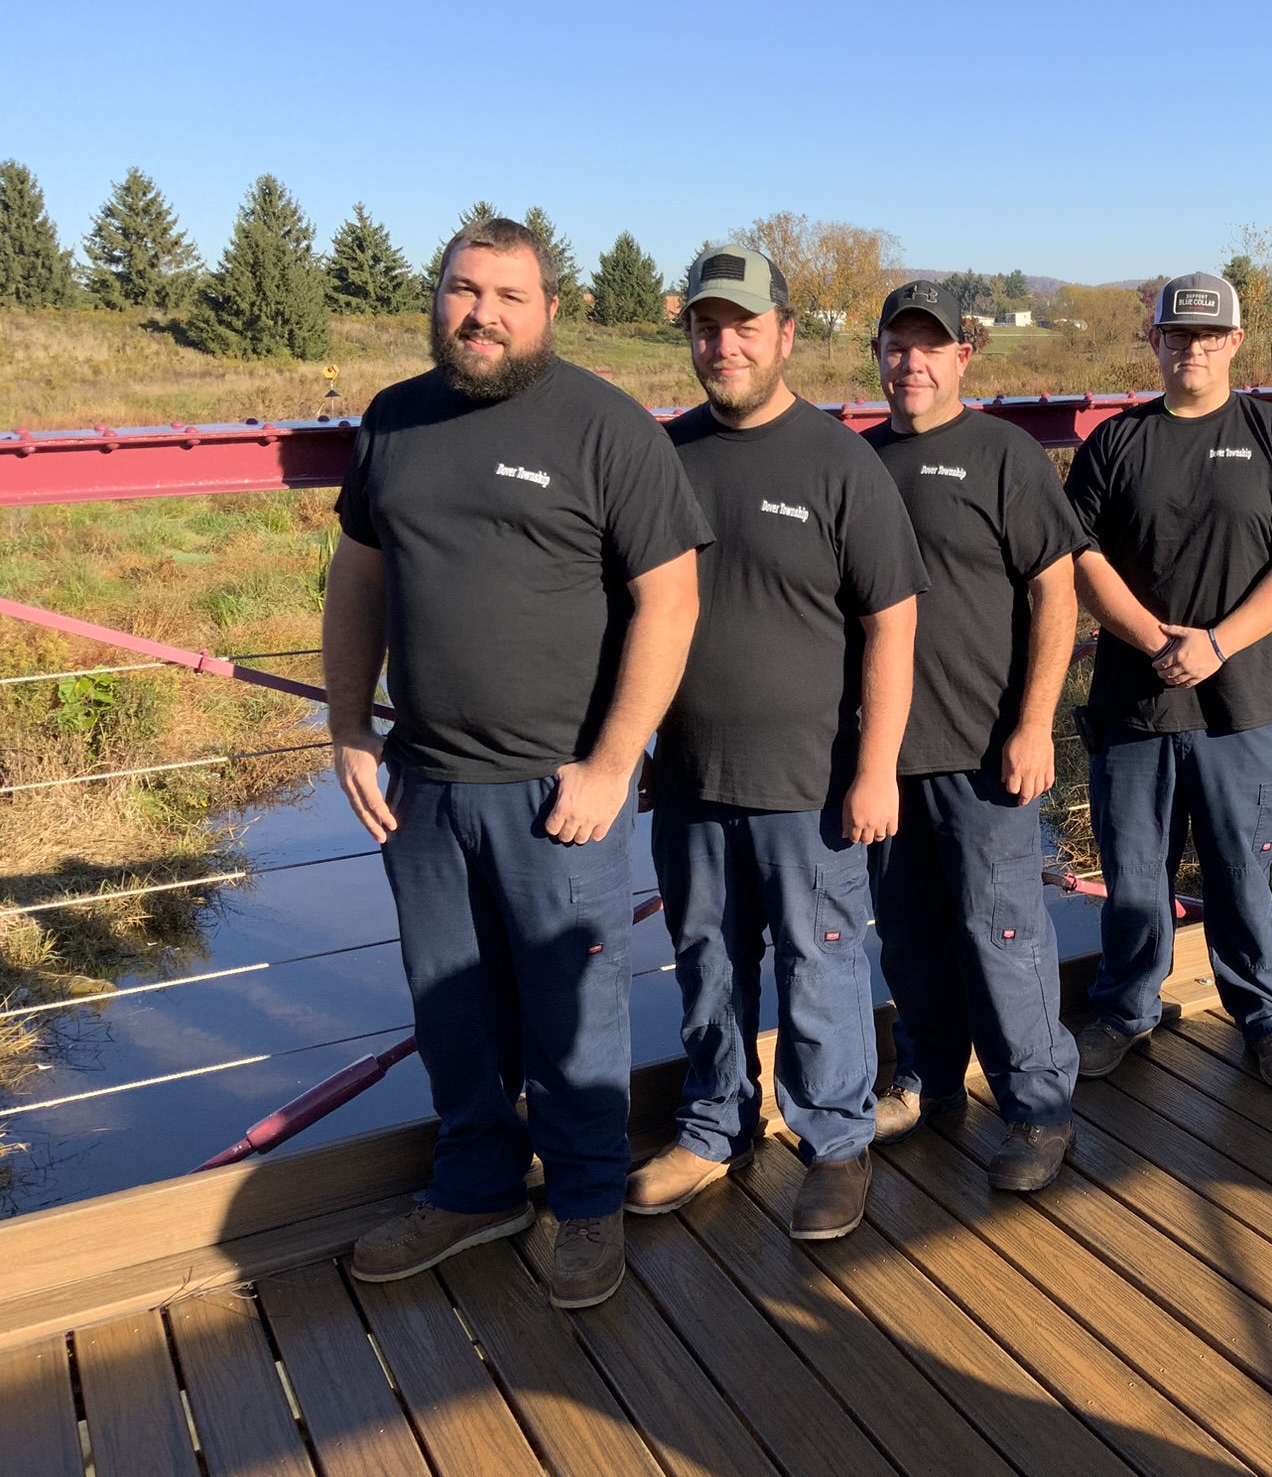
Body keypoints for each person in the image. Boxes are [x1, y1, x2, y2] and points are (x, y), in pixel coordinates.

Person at [327, 216, 708, 1309]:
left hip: (558, 791)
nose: (480, 313)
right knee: (451, 1010)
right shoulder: (395, 420)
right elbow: (357, 581)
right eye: (461, 290)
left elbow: (669, 599)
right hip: (425, 783)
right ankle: (475, 1187)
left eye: (506, 295)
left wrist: (611, 761)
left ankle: (585, 1205)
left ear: (549, 309)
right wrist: (349, 728)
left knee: (573, 1012)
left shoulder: (604, 426)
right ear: (436, 296)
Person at [627, 245, 926, 1241]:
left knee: (820, 964)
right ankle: (714, 1129)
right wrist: (633, 749)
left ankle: (835, 1142)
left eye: (744, 325)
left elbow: (893, 619)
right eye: (707, 327)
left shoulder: (839, 462)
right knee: (706, 960)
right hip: (691, 778)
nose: (724, 344)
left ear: (785, 334)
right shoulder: (663, 458)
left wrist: (877, 766)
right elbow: (636, 616)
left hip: (811, 783)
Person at [1064, 272, 1272, 1092]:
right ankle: (1126, 1010)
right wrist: (1156, 637)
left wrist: (1218, 642)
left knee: (1241, 872)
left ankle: (1264, 1014)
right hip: (1135, 704)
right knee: (1134, 873)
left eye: (1207, 335)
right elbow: (1080, 557)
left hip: (1241, 707)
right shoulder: (1116, 444)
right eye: (1176, 335)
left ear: (1235, 340)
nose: (1191, 349)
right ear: (1154, 341)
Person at [860, 280, 1086, 1191]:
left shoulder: (1004, 455)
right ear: (878, 354)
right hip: (882, 757)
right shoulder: (857, 461)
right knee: (909, 935)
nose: (911, 362)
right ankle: (929, 1079)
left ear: (965, 357)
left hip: (985, 751)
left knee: (1004, 934)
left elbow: (1056, 593)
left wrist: (1035, 724)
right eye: (896, 345)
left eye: (931, 346)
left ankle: (1038, 1107)